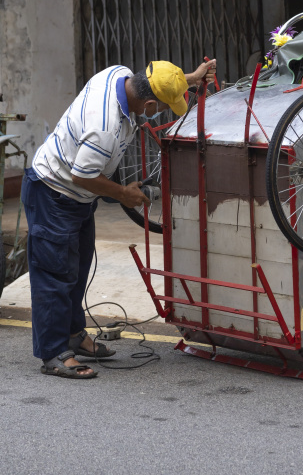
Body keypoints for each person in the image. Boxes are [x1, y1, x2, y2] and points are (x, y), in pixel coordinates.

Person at [21, 58, 217, 379]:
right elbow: (82, 176)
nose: (161, 114)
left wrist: (190, 79)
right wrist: (122, 194)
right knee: (55, 276)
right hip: (53, 194)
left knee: (78, 268)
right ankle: (54, 353)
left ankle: (73, 334)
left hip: (77, 200)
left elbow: (160, 78)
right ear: (149, 103)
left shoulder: (119, 74)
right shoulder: (104, 128)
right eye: (163, 108)